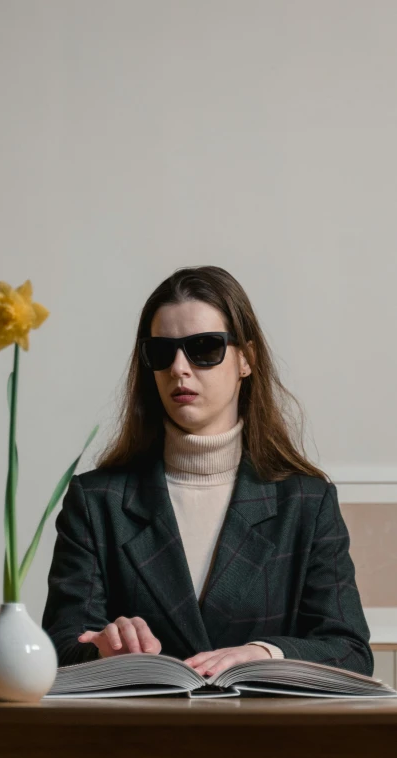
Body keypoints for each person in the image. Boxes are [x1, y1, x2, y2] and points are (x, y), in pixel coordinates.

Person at [42, 266, 373, 678]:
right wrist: (101, 650)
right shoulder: (96, 501)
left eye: (203, 348)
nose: (179, 368)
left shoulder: (306, 502)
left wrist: (264, 653)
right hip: (131, 741)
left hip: (270, 740)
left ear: (246, 360)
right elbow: (58, 646)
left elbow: (350, 650)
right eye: (162, 352)